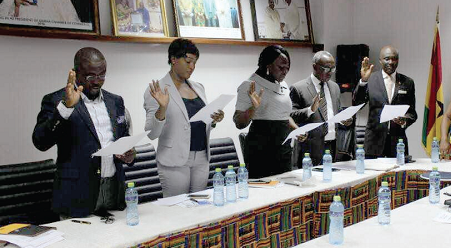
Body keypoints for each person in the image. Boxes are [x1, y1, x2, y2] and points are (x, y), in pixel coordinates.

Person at [32, 48, 134, 218]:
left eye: (102, 75)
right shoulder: (56, 100)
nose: (97, 82)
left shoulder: (115, 101)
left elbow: (124, 139)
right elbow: (40, 142)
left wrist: (130, 154)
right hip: (77, 192)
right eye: (90, 76)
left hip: (113, 189)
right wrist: (66, 107)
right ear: (76, 73)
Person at [144, 38, 224, 197]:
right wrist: (162, 108)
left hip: (201, 156)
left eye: (195, 62)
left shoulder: (198, 87)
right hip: (174, 159)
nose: (192, 67)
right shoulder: (156, 89)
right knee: (177, 210)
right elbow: (151, 133)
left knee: (199, 205)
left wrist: (213, 120)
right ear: (173, 59)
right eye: (188, 61)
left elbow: (199, 121)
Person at [234, 45, 303, 179]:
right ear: (267, 65)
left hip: (284, 148)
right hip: (261, 149)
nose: (285, 72)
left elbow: (283, 114)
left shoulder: (283, 84)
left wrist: (296, 129)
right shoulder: (250, 85)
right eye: (280, 68)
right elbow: (239, 122)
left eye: (287, 68)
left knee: (285, 191)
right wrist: (254, 107)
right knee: (264, 192)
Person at [290, 51, 353, 167]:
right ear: (315, 67)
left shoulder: (334, 87)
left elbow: (336, 112)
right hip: (309, 148)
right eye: (327, 68)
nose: (330, 73)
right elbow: (291, 116)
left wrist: (344, 119)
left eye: (333, 69)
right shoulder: (298, 88)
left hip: (333, 146)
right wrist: (310, 110)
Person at [353, 45, 417, 158]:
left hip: (398, 143)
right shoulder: (371, 79)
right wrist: (363, 81)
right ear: (380, 60)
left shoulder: (408, 82)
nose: (391, 62)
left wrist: (405, 120)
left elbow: (412, 113)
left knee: (397, 175)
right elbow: (357, 104)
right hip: (373, 143)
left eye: (394, 58)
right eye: (387, 59)